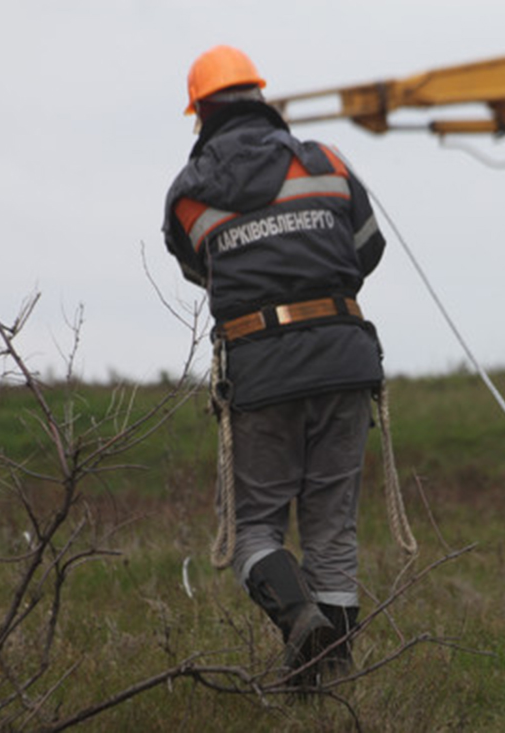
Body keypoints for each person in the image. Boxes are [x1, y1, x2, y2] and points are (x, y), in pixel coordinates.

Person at [162, 45, 387, 683]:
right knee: (333, 535)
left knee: (248, 530)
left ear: (199, 111)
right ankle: (329, 690)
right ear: (262, 96)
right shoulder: (326, 162)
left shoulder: (187, 194)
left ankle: (298, 623)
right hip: (345, 359)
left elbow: (200, 273)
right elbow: (368, 250)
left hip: (259, 372)